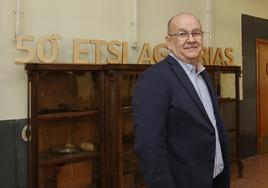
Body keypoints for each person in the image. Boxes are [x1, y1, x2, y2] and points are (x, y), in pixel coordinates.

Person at [132, 13, 230, 188]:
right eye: (183, 34)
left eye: (196, 33)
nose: (191, 39)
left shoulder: (204, 75)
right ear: (169, 41)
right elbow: (150, 147)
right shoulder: (155, 78)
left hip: (215, 178)